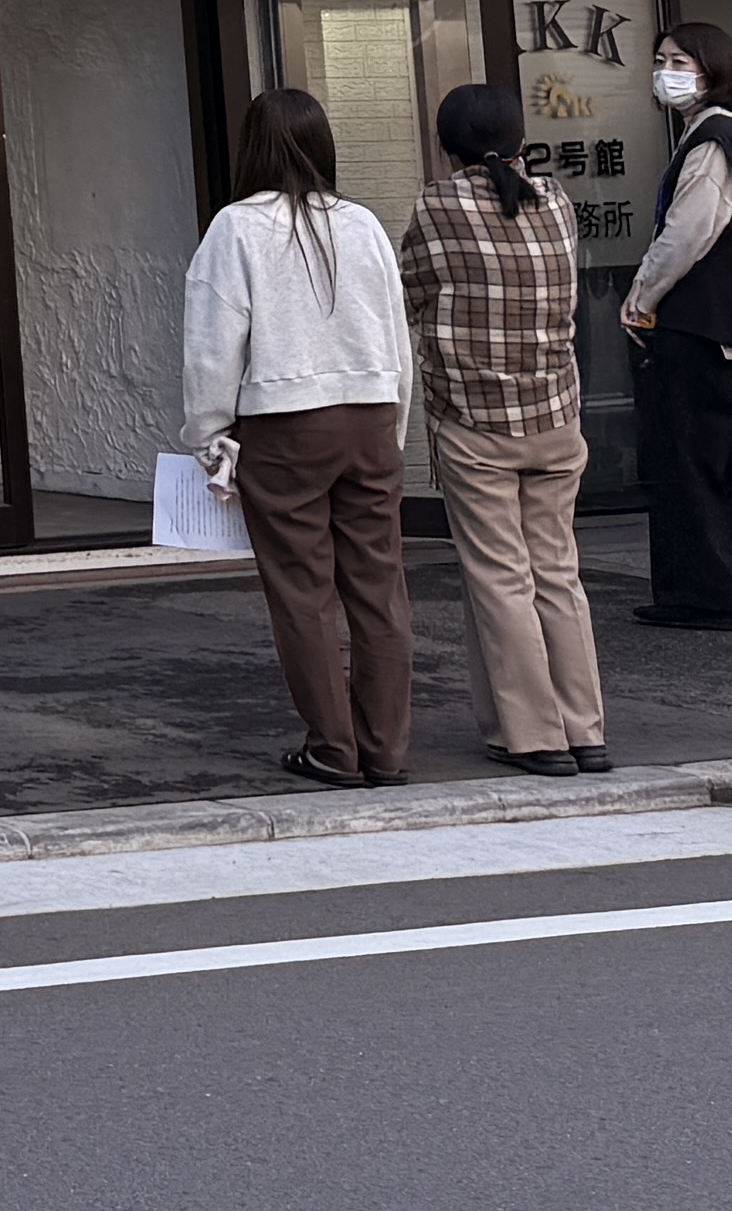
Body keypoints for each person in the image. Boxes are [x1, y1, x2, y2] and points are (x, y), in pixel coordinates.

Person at [186, 87, 415, 788]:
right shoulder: (364, 223)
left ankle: (332, 748)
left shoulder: (237, 227)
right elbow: (396, 335)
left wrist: (209, 435)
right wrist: (397, 425)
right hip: (372, 415)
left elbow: (212, 344)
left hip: (287, 425)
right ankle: (386, 749)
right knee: (378, 586)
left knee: (303, 591)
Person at [404, 84, 607, 775]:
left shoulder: (438, 206)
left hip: (476, 421)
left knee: (500, 579)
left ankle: (535, 736)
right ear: (523, 139)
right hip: (556, 414)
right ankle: (585, 729)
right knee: (556, 573)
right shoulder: (556, 203)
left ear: (445, 144)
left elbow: (409, 290)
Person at [625, 19, 732, 628]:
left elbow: (687, 234)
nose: (666, 71)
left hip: (702, 323)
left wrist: (642, 293)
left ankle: (701, 593)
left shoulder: (709, 143)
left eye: (679, 60)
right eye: (661, 59)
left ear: (713, 69)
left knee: (692, 460)